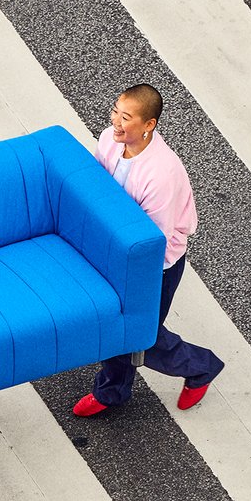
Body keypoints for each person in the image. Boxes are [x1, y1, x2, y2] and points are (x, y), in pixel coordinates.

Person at [74, 84, 225, 417]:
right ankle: (112, 389)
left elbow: (151, 242)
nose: (115, 121)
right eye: (115, 111)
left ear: (148, 125)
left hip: (155, 265)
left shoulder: (160, 175)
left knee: (138, 333)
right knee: (120, 326)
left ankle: (200, 367)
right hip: (115, 248)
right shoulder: (109, 141)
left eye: (125, 117)